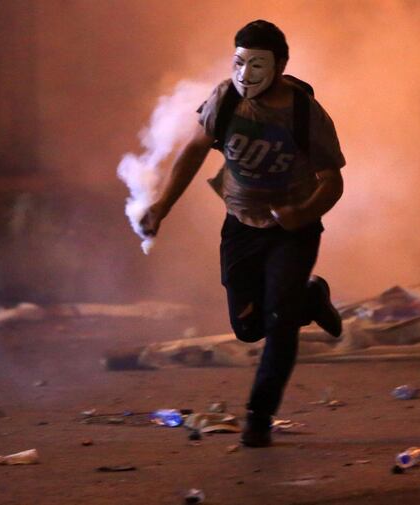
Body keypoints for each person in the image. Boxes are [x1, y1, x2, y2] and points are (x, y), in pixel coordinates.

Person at [140, 19, 346, 448]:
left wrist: (301, 212)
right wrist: (161, 206)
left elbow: (333, 181)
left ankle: (259, 415)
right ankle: (311, 296)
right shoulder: (226, 99)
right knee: (248, 328)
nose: (244, 75)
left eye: (256, 65)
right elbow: (195, 150)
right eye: (238, 62)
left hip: (293, 231)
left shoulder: (306, 113)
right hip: (241, 225)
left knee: (280, 319)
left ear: (281, 65)